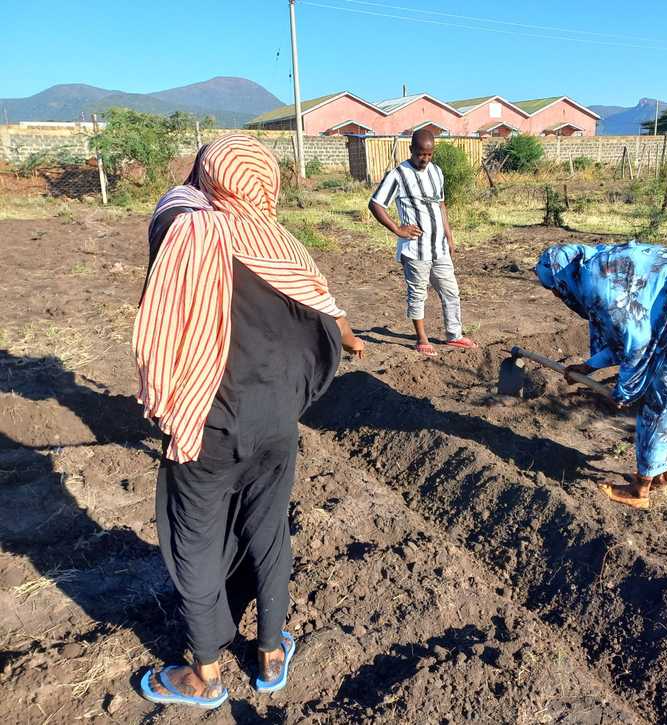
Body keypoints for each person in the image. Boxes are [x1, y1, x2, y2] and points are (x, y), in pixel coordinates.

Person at [134, 134, 365, 709]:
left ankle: (206, 674)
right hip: (278, 420)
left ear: (210, 178)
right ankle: (268, 654)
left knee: (195, 538)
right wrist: (347, 341)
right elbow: (335, 320)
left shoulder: (186, 232)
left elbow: (173, 212)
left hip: (207, 420)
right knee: (268, 529)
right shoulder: (284, 244)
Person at [535, 241, 667, 509]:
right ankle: (658, 472)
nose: (555, 295)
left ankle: (640, 491)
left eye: (552, 288)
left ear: (561, 278)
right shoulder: (596, 264)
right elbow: (626, 332)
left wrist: (625, 390)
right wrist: (588, 367)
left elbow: (636, 341)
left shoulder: (598, 284)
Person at [368, 128, 477, 356]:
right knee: (418, 294)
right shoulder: (398, 175)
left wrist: (449, 234)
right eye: (420, 154)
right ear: (411, 150)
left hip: (439, 248)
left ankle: (454, 335)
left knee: (451, 291)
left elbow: (440, 204)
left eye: (429, 154)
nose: (425, 159)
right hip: (415, 250)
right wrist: (398, 229)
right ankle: (422, 338)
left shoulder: (436, 171)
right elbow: (376, 204)